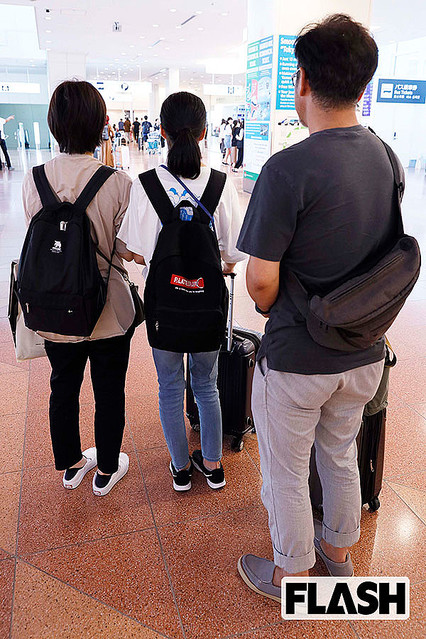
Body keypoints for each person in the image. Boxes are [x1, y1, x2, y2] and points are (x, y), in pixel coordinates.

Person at [236, 14, 396, 600]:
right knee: (340, 456)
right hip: (364, 353)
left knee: (285, 468)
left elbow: (260, 284)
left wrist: (277, 306)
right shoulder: (386, 159)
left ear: (301, 80)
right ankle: (339, 558)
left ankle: (290, 574)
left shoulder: (287, 169)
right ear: (364, 85)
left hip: (299, 358)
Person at [117, 91, 246, 492]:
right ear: (205, 132)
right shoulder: (222, 185)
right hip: (207, 307)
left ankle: (180, 469)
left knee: (170, 388)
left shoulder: (145, 185)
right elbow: (232, 256)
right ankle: (214, 466)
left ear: (162, 131)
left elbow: (136, 253)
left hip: (165, 308)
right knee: (207, 386)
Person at [22, 80, 135, 496]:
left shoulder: (34, 179)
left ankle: (71, 464)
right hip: (105, 310)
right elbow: (127, 250)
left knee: (63, 386)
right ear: (100, 124)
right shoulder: (117, 182)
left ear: (53, 124)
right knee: (109, 390)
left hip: (54, 306)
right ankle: (106, 469)